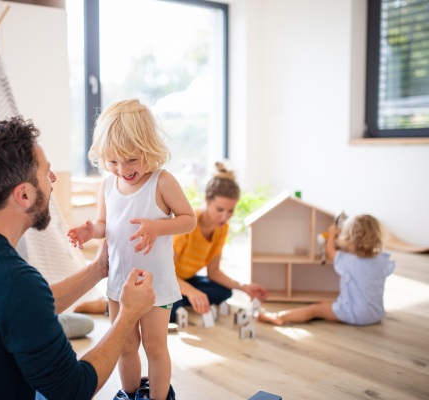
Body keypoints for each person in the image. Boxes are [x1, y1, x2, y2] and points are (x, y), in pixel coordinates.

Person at [0, 116, 156, 400]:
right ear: (25, 194)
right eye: (46, 173)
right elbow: (74, 390)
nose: (53, 179)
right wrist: (128, 316)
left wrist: (96, 270)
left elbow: (23, 309)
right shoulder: (14, 280)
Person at [67, 99, 197, 400]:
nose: (123, 170)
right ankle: (129, 393)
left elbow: (188, 220)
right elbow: (104, 224)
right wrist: (91, 231)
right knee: (125, 344)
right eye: (113, 161)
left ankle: (158, 398)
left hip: (156, 284)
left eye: (131, 160)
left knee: (154, 346)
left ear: (149, 149)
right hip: (118, 281)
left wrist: (157, 227)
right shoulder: (107, 185)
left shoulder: (162, 182)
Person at [171, 163, 268, 323]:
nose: (225, 217)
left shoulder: (222, 228)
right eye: (220, 210)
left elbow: (213, 272)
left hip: (186, 279)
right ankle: (182, 298)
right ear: (207, 200)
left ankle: (183, 297)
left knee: (225, 292)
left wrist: (244, 287)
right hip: (165, 280)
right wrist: (192, 292)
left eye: (230, 210)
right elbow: (164, 273)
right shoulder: (187, 223)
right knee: (173, 312)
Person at [258, 214, 395, 326]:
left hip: (353, 313)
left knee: (315, 309)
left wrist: (331, 234)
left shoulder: (348, 261)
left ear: (350, 239)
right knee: (330, 303)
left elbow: (330, 251)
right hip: (376, 314)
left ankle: (280, 316)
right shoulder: (382, 260)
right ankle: (331, 306)